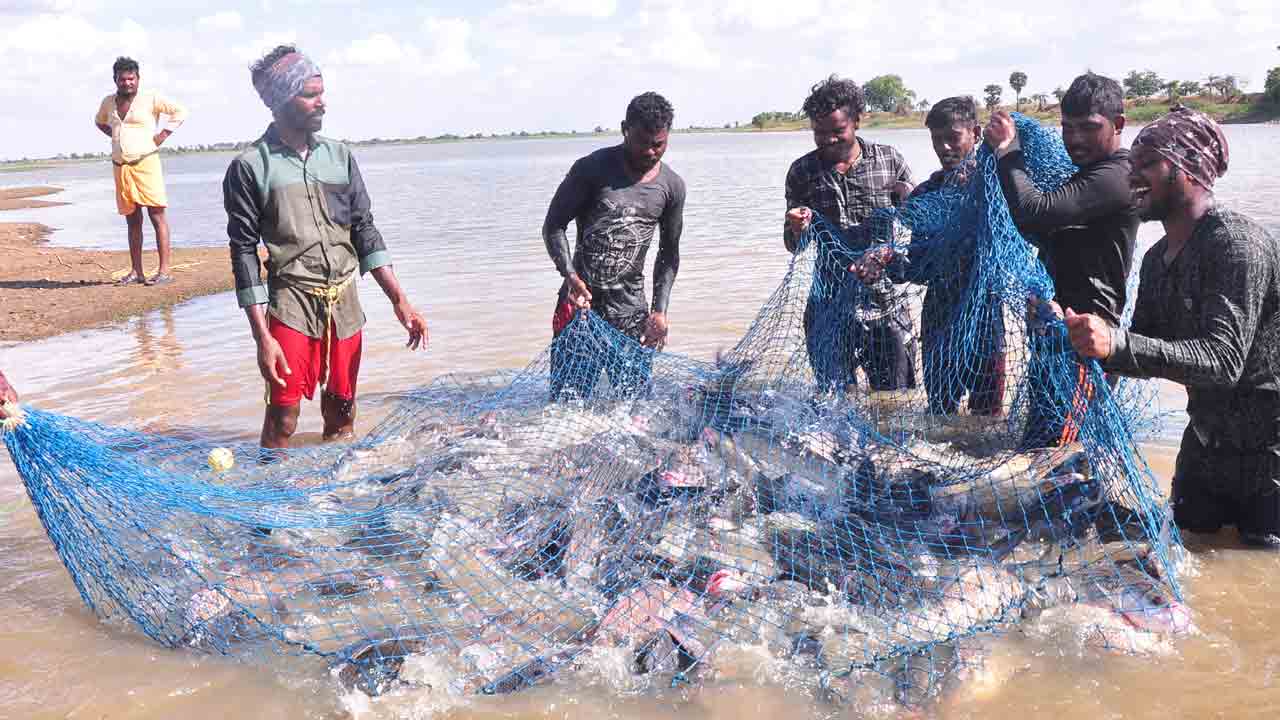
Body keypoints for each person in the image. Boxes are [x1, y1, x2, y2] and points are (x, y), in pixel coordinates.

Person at [1063, 108, 1280, 549]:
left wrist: (1118, 344)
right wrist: (1086, 345)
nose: (1132, 179)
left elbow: (1222, 362)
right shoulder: (1157, 257)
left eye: (1146, 166)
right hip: (1205, 443)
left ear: (1186, 168)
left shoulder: (1237, 245)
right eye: (1132, 166)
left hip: (1270, 454)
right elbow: (1141, 348)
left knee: (1259, 566)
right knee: (1185, 548)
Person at [223, 46, 428, 450]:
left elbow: (364, 230)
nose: (322, 102)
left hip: (345, 304)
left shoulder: (339, 157)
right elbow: (244, 253)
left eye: (322, 92)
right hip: (291, 303)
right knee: (283, 418)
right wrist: (262, 338)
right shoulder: (250, 166)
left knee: (342, 411)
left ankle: (333, 500)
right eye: (311, 94)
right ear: (282, 101)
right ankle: (272, 500)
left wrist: (400, 300)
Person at [983, 72, 1138, 447]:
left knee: (1065, 453)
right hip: (1055, 331)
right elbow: (1044, 229)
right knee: (1044, 448)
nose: (1075, 139)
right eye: (1068, 128)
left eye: (1089, 127)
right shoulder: (1086, 175)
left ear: (1118, 124)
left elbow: (1035, 212)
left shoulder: (1117, 176)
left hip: (1087, 343)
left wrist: (1008, 150)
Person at [852, 96, 1005, 415]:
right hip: (939, 313)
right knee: (940, 412)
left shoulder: (996, 184)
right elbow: (918, 266)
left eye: (953, 137)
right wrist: (886, 259)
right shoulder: (926, 194)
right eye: (937, 139)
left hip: (986, 314)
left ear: (975, 134)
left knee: (987, 416)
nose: (945, 148)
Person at [542, 91, 685, 400]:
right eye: (642, 142)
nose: (650, 151)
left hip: (631, 314)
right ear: (625, 129)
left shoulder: (672, 186)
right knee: (566, 404)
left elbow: (669, 253)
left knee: (634, 409)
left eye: (658, 144)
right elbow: (553, 226)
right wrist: (569, 275)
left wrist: (660, 312)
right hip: (580, 308)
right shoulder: (591, 169)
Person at [784, 75, 915, 393]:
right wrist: (795, 227)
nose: (828, 140)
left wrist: (907, 202)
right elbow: (792, 245)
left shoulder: (889, 161)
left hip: (885, 302)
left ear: (857, 121)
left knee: (893, 400)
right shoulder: (802, 172)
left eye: (837, 132)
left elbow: (913, 230)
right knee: (835, 403)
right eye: (819, 133)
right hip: (828, 305)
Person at [94, 57, 188, 286]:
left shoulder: (150, 98)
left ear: (138, 79)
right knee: (132, 220)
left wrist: (162, 135)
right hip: (121, 167)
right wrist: (118, 138)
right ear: (115, 79)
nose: (127, 83)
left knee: (157, 216)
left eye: (131, 78)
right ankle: (137, 271)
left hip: (146, 164)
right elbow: (100, 122)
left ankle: (164, 271)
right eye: (122, 79)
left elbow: (180, 111)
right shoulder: (108, 102)